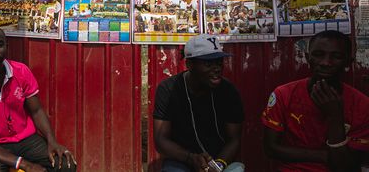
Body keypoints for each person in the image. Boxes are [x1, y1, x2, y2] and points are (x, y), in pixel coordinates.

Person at [0, 25, 77, 172]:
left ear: (6, 46)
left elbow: (36, 111)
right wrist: (25, 164)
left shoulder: (21, 71)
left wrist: (52, 141)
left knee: (65, 165)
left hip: (26, 140)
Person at [262, 30, 369, 172]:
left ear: (348, 62)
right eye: (318, 55)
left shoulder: (362, 105)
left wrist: (335, 117)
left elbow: (347, 167)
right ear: (308, 58)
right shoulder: (284, 94)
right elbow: (271, 148)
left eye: (336, 57)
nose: (326, 63)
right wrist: (325, 155)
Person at [153, 34, 245, 172]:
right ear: (189, 64)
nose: (217, 68)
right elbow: (161, 140)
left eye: (219, 62)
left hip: (219, 159)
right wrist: (191, 158)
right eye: (208, 63)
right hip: (182, 159)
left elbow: (234, 139)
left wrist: (219, 165)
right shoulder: (168, 89)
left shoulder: (229, 91)